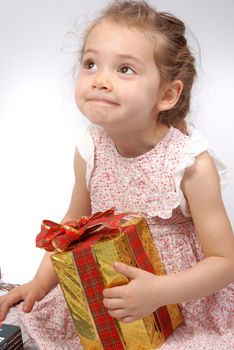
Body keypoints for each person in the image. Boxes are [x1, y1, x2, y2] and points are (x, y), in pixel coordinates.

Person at [0, 1, 234, 349]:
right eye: (91, 64)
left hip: (180, 296)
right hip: (109, 285)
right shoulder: (89, 149)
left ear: (167, 94)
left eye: (125, 69)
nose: (100, 80)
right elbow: (72, 225)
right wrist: (38, 283)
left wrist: (159, 292)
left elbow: (225, 262)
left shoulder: (190, 164)